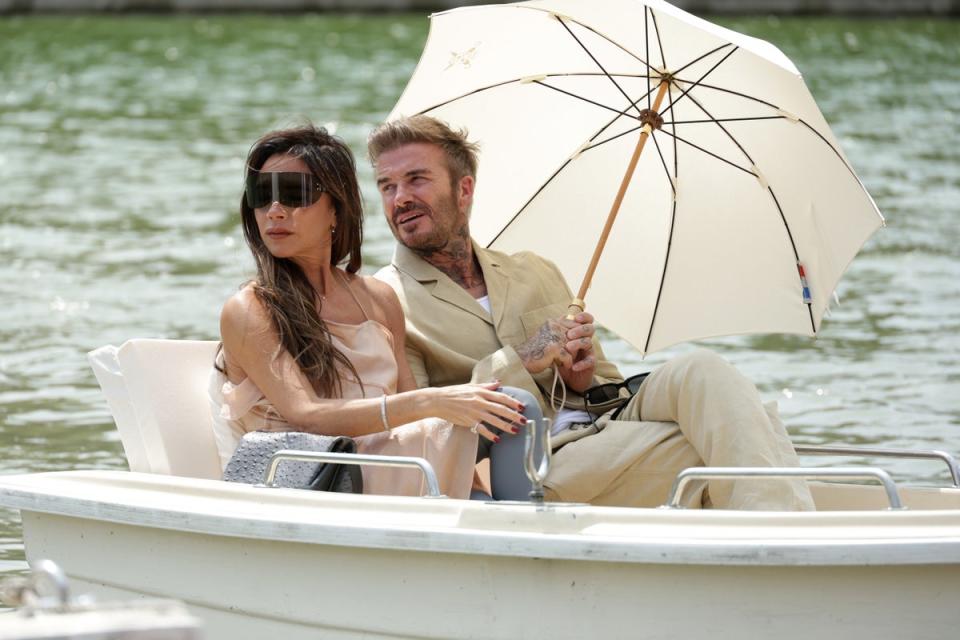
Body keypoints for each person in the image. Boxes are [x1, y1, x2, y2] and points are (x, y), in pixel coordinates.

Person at [369, 115, 816, 510]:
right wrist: (522, 360)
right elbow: (423, 431)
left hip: (602, 427)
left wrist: (581, 376)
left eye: (416, 180)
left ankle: (777, 535)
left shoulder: (533, 270)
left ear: (463, 189)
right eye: (387, 186)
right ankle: (789, 546)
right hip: (536, 463)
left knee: (705, 371)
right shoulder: (386, 301)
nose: (400, 198)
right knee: (738, 432)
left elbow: (605, 383)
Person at [208, 123, 536, 500]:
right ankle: (515, 531)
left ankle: (506, 525)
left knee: (511, 409)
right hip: (318, 477)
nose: (275, 211)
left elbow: (418, 419)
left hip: (393, 463)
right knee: (515, 408)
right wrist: (434, 401)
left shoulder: (379, 298)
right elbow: (305, 414)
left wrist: (468, 486)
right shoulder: (251, 308)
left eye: (295, 194)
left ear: (336, 208)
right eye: (262, 195)